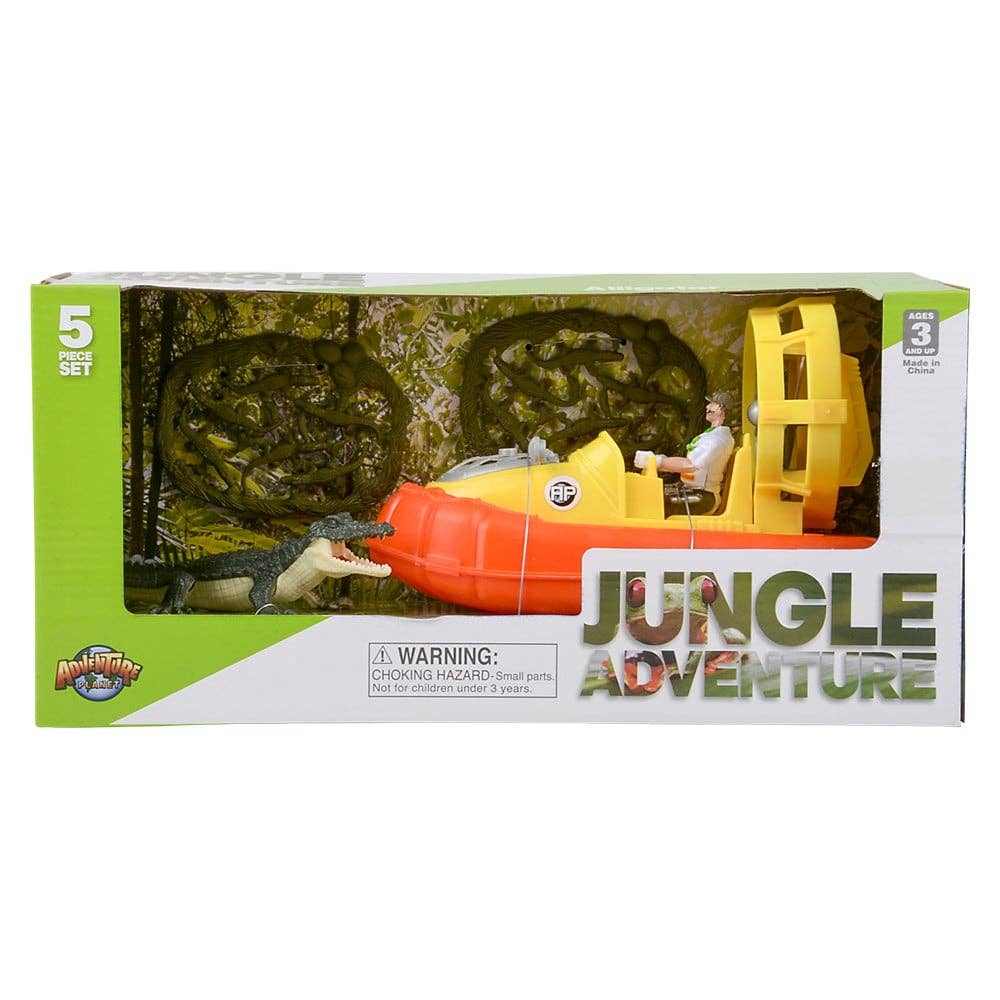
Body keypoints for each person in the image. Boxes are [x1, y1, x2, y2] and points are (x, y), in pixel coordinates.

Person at [633, 391, 737, 515]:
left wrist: (656, 461)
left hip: (703, 497)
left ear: (721, 409)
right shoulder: (711, 435)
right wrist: (660, 464)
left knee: (652, 502)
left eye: (712, 404)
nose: (707, 407)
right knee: (650, 494)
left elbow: (690, 465)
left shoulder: (718, 440)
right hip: (691, 489)